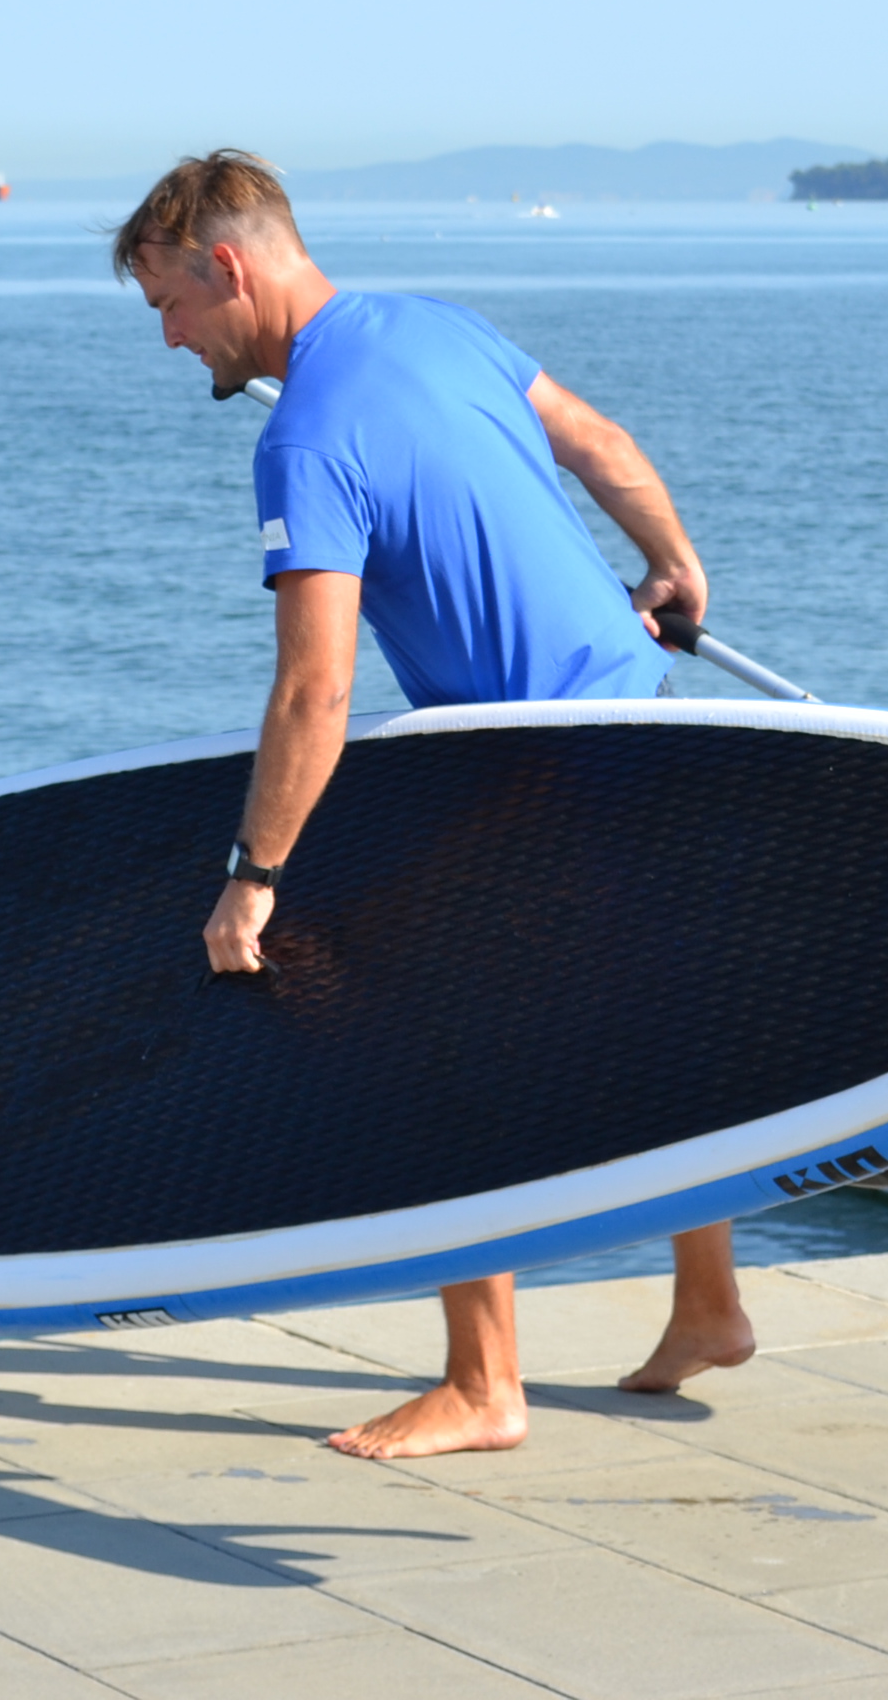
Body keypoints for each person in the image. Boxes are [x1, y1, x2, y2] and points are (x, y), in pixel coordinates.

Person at [116, 148, 755, 1458]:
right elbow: (602, 445)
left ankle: (483, 1385)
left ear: (227, 267)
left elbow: (316, 691)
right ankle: (709, 1304)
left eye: (169, 305)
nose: (171, 337)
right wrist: (673, 561)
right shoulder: (435, 327)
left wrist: (253, 878)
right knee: (647, 1014)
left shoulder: (304, 440)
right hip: (641, 714)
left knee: (425, 1040)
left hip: (531, 767)